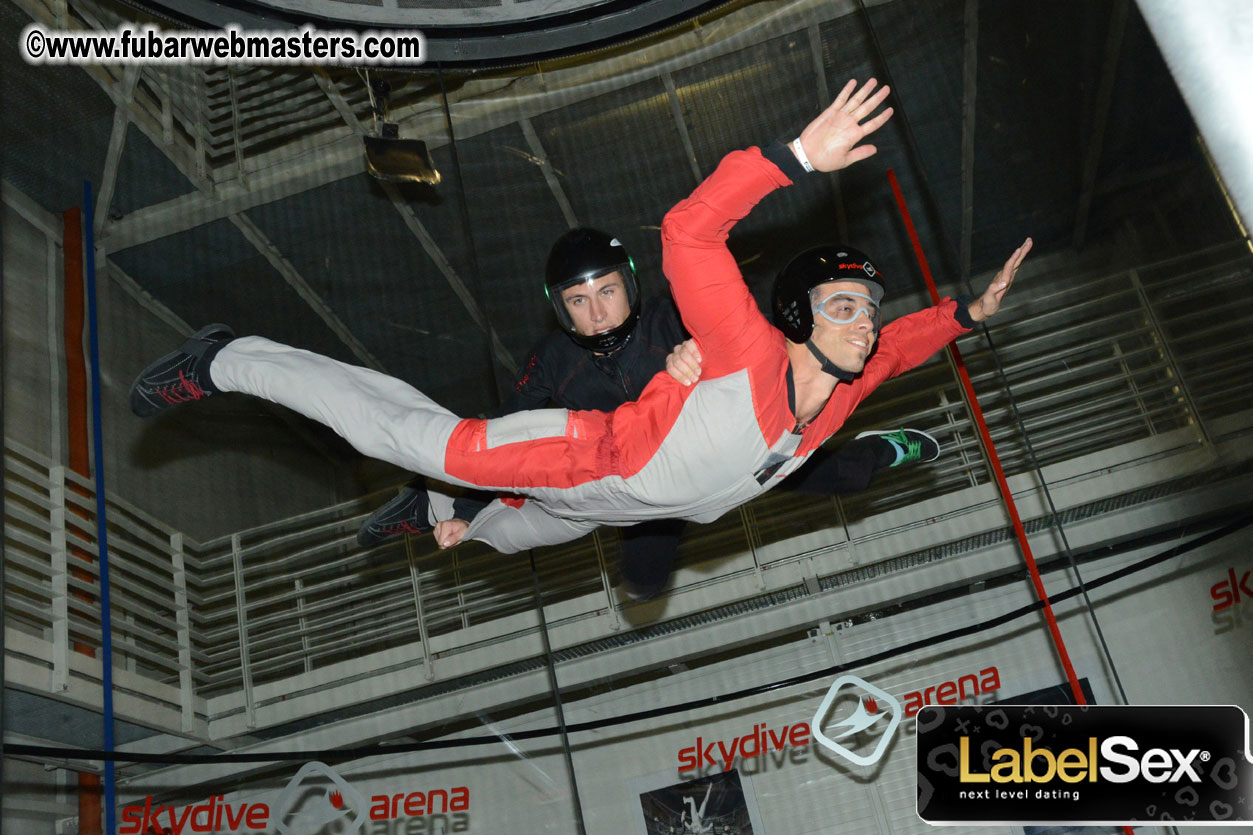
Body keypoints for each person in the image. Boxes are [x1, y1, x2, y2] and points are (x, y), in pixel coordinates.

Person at [130, 78, 1031, 563]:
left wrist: (964, 313)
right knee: (417, 440)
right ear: (795, 316)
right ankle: (231, 360)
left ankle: (447, 514)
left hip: (613, 510)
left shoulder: (841, 388)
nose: (863, 322)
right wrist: (793, 158)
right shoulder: (744, 347)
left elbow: (901, 348)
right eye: (842, 307)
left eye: (865, 310)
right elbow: (688, 229)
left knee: (519, 533)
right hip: (593, 456)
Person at [355, 227, 941, 600]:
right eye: (578, 303)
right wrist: (465, 506)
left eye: (606, 292)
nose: (597, 313)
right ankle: (428, 502)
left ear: (630, 287)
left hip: (736, 444)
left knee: (843, 476)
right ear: (560, 311)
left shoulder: (675, 319)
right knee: (643, 583)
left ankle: (889, 447)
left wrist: (707, 356)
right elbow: (508, 440)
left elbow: (766, 351)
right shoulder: (551, 361)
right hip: (649, 487)